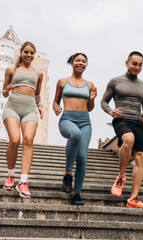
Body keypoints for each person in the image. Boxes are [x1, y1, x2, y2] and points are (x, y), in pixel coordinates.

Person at [100, 51, 143, 208]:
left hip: (137, 121)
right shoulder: (115, 81)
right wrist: (110, 111)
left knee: (140, 156)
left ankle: (133, 198)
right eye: (134, 64)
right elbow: (104, 102)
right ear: (126, 63)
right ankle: (121, 177)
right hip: (121, 119)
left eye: (140, 65)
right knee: (128, 139)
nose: (137, 68)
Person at [53, 53, 97, 205]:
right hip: (67, 120)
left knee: (82, 158)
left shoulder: (90, 85)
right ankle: (67, 173)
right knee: (75, 134)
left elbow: (90, 108)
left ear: (86, 65)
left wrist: (91, 99)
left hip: (85, 121)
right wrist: (56, 108)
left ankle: (76, 194)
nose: (80, 63)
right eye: (77, 60)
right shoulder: (62, 82)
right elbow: (55, 102)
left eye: (84, 61)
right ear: (71, 63)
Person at [2, 41, 43, 199]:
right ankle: (11, 175)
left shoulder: (38, 74)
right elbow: (5, 94)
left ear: (34, 55)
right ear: (21, 52)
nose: (29, 55)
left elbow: (37, 94)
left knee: (28, 140)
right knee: (14, 140)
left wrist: (40, 105)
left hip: (30, 109)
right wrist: (6, 90)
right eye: (26, 52)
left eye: (32, 53)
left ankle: (23, 181)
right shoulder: (11, 70)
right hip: (12, 106)